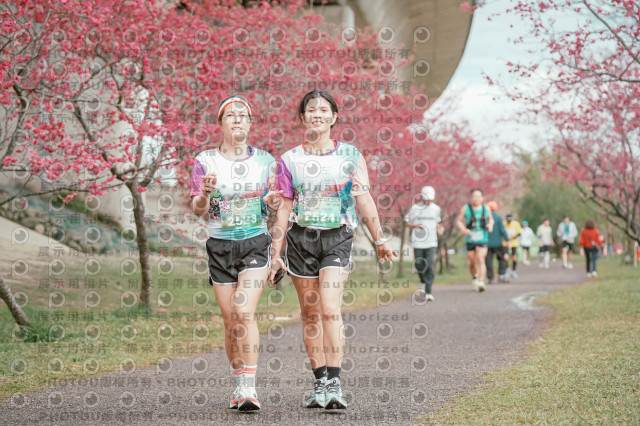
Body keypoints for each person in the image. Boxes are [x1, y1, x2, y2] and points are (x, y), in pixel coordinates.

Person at [270, 90, 397, 410]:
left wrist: (380, 240)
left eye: (324, 110)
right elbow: (284, 208)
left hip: (337, 237)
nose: (317, 114)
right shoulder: (289, 159)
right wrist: (275, 253)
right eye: (311, 110)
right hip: (300, 240)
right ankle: (320, 383)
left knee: (329, 307)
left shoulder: (351, 155)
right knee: (311, 314)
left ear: (334, 116)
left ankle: (335, 383)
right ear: (303, 118)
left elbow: (364, 199)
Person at [189, 96, 281, 411]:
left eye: (243, 115)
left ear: (250, 123)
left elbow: (277, 202)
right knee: (231, 321)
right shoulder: (205, 160)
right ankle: (238, 382)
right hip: (219, 246)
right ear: (221, 123)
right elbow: (198, 208)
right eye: (231, 115)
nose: (238, 119)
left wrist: (273, 202)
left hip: (255, 241)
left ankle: (249, 388)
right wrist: (204, 193)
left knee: (243, 311)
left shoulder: (266, 161)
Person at [404, 186, 443, 301]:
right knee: (419, 265)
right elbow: (406, 222)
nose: (428, 201)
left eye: (430, 199)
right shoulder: (415, 208)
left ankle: (428, 291)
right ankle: (423, 281)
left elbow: (438, 223)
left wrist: (440, 229)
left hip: (431, 241)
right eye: (426, 199)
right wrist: (416, 226)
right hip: (418, 241)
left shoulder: (436, 209)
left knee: (430, 264)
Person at [455, 188, 494, 292]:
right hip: (470, 238)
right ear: (471, 197)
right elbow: (458, 221)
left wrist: (490, 225)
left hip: (482, 238)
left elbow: (491, 220)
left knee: (481, 258)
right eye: (474, 196)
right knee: (472, 262)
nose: (476, 198)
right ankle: (475, 278)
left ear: (482, 198)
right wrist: (463, 229)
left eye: (478, 196)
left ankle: (481, 281)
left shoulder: (486, 208)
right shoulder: (466, 208)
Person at [485, 201, 510, 284]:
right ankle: (501, 275)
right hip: (498, 243)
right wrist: (507, 240)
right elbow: (502, 230)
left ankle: (490, 278)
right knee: (501, 259)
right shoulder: (498, 217)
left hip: (486, 243)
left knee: (488, 261)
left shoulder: (484, 218)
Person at [503, 214, 522, 278]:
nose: (509, 222)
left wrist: (512, 237)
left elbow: (519, 233)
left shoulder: (516, 224)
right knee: (506, 257)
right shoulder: (503, 223)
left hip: (514, 243)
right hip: (505, 243)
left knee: (514, 257)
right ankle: (507, 270)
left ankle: (514, 271)